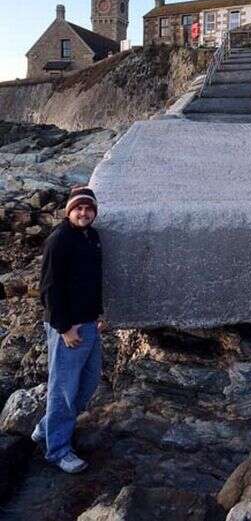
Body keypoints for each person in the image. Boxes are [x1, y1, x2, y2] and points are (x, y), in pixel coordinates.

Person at [33, 186, 106, 473]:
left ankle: (44, 428)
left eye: (89, 208)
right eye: (79, 208)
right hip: (68, 327)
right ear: (69, 211)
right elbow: (48, 289)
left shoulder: (92, 237)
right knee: (64, 390)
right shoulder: (59, 240)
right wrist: (64, 328)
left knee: (88, 383)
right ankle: (58, 450)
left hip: (89, 322)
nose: (84, 212)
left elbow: (92, 281)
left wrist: (98, 314)